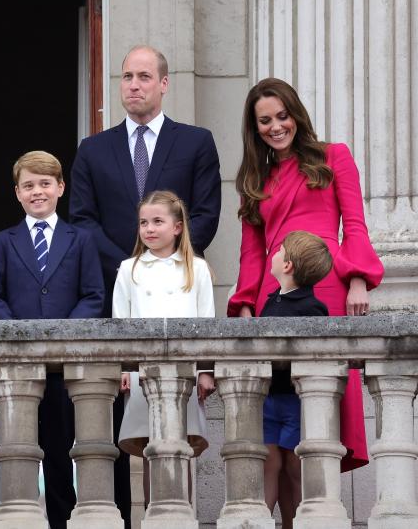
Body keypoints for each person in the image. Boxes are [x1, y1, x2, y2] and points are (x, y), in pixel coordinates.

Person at [69, 44, 221, 525]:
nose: (132, 85)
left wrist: (164, 258)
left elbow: (206, 214)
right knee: (124, 436)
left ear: (163, 83)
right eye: (126, 76)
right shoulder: (93, 149)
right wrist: (133, 264)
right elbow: (82, 219)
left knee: (178, 440)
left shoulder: (195, 141)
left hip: (179, 293)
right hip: (123, 292)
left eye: (142, 76)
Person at [227, 78, 383, 477]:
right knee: (276, 419)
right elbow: (250, 252)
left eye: (282, 116)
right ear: (254, 126)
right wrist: (245, 303)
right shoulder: (252, 181)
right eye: (265, 120)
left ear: (296, 114)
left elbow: (356, 225)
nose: (276, 126)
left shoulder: (334, 156)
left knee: (321, 409)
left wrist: (358, 280)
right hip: (273, 294)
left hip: (328, 285)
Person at [0, 150, 104, 528]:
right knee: (18, 451)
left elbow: (94, 295)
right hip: (21, 369)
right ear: (17, 192)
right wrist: (22, 336)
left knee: (65, 451)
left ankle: (65, 522)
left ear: (61, 188)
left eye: (45, 184)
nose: (38, 192)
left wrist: (61, 335)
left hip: (66, 368)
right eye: (29, 185)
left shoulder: (80, 239)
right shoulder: (3, 241)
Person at [112, 190, 216, 506]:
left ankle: (181, 516)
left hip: (184, 373)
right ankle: (154, 517)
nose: (150, 229)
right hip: (143, 373)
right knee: (149, 450)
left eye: (158, 221)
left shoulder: (197, 269)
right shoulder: (128, 269)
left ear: (178, 227)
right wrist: (126, 369)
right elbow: (121, 325)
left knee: (180, 449)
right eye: (144, 222)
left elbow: (207, 323)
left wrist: (206, 370)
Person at [260, 230, 333, 527]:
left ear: (287, 265)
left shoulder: (313, 309)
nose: (274, 255)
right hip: (267, 399)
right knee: (269, 463)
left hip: (294, 401)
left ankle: (297, 523)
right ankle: (260, 519)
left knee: (294, 466)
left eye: (279, 250)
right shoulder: (270, 301)